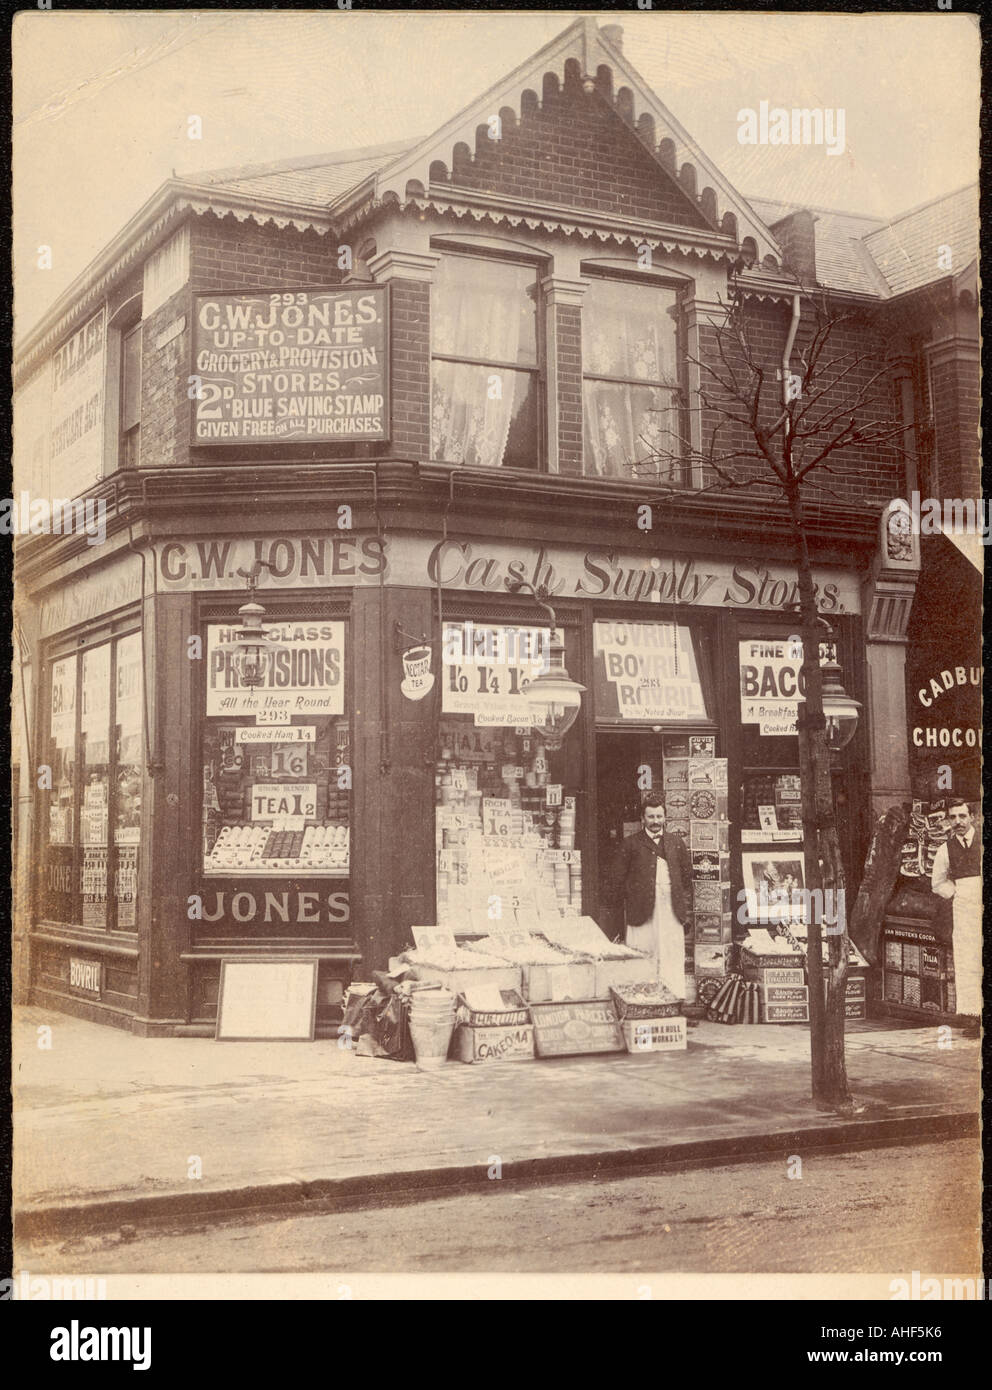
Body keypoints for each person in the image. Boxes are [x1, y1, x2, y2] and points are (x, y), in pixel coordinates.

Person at [613, 794, 691, 996]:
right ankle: (643, 1000)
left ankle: (673, 1000)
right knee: (643, 951)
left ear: (665, 817)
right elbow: (617, 879)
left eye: (659, 816)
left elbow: (686, 875)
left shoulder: (676, 843)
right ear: (642, 818)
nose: (655, 821)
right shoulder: (630, 844)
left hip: (671, 908)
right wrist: (634, 897)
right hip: (641, 909)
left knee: (671, 953)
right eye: (651, 817)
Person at [930, 798, 982, 1037]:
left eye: (962, 816)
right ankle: (972, 1016)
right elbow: (938, 882)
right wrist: (958, 892)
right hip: (964, 908)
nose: (958, 822)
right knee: (967, 959)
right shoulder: (945, 849)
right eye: (953, 817)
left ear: (972, 816)